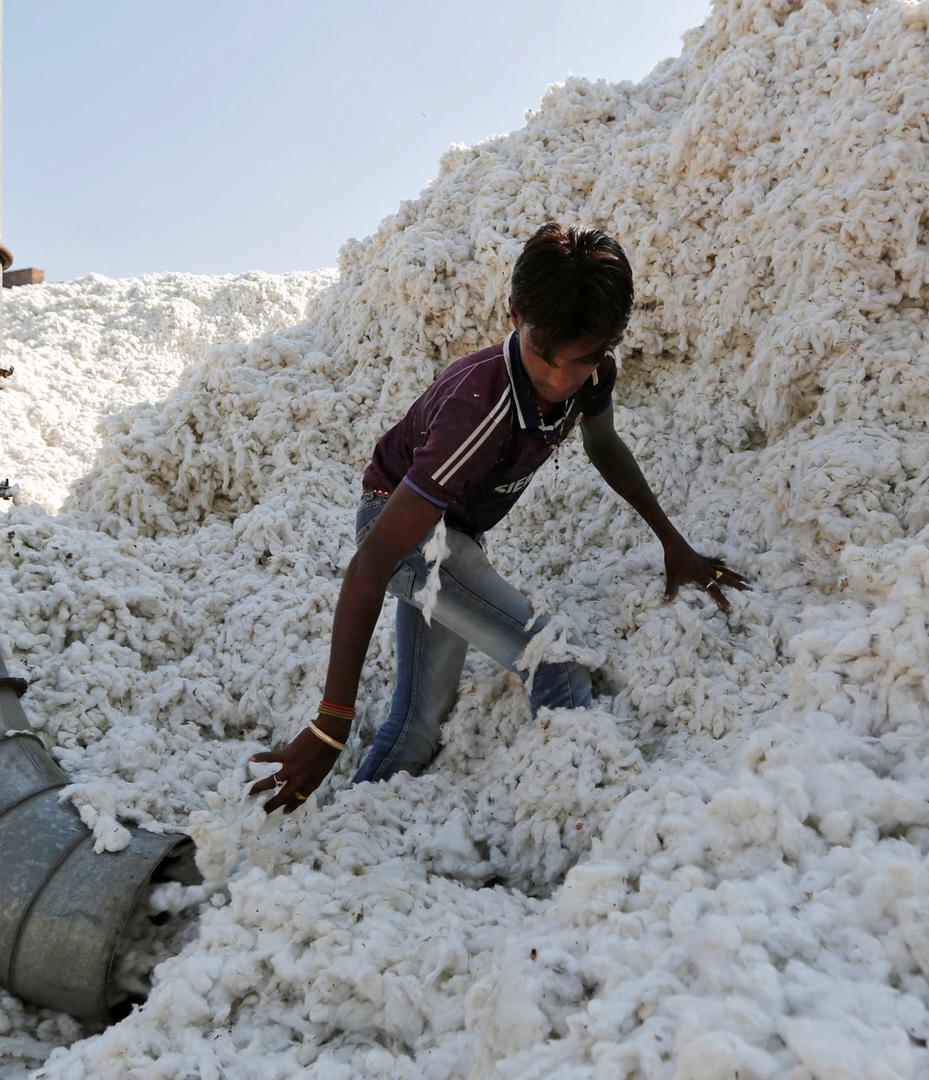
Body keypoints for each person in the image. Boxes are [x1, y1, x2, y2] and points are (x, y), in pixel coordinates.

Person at [249, 223, 750, 812]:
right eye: (546, 357)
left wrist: (673, 543)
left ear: (608, 344)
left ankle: (346, 828)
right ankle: (588, 818)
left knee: (414, 730)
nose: (563, 379)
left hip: (451, 537)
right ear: (514, 315)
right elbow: (373, 563)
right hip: (407, 537)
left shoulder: (591, 371)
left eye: (583, 360)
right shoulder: (480, 406)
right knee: (555, 663)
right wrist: (331, 723)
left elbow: (603, 442)